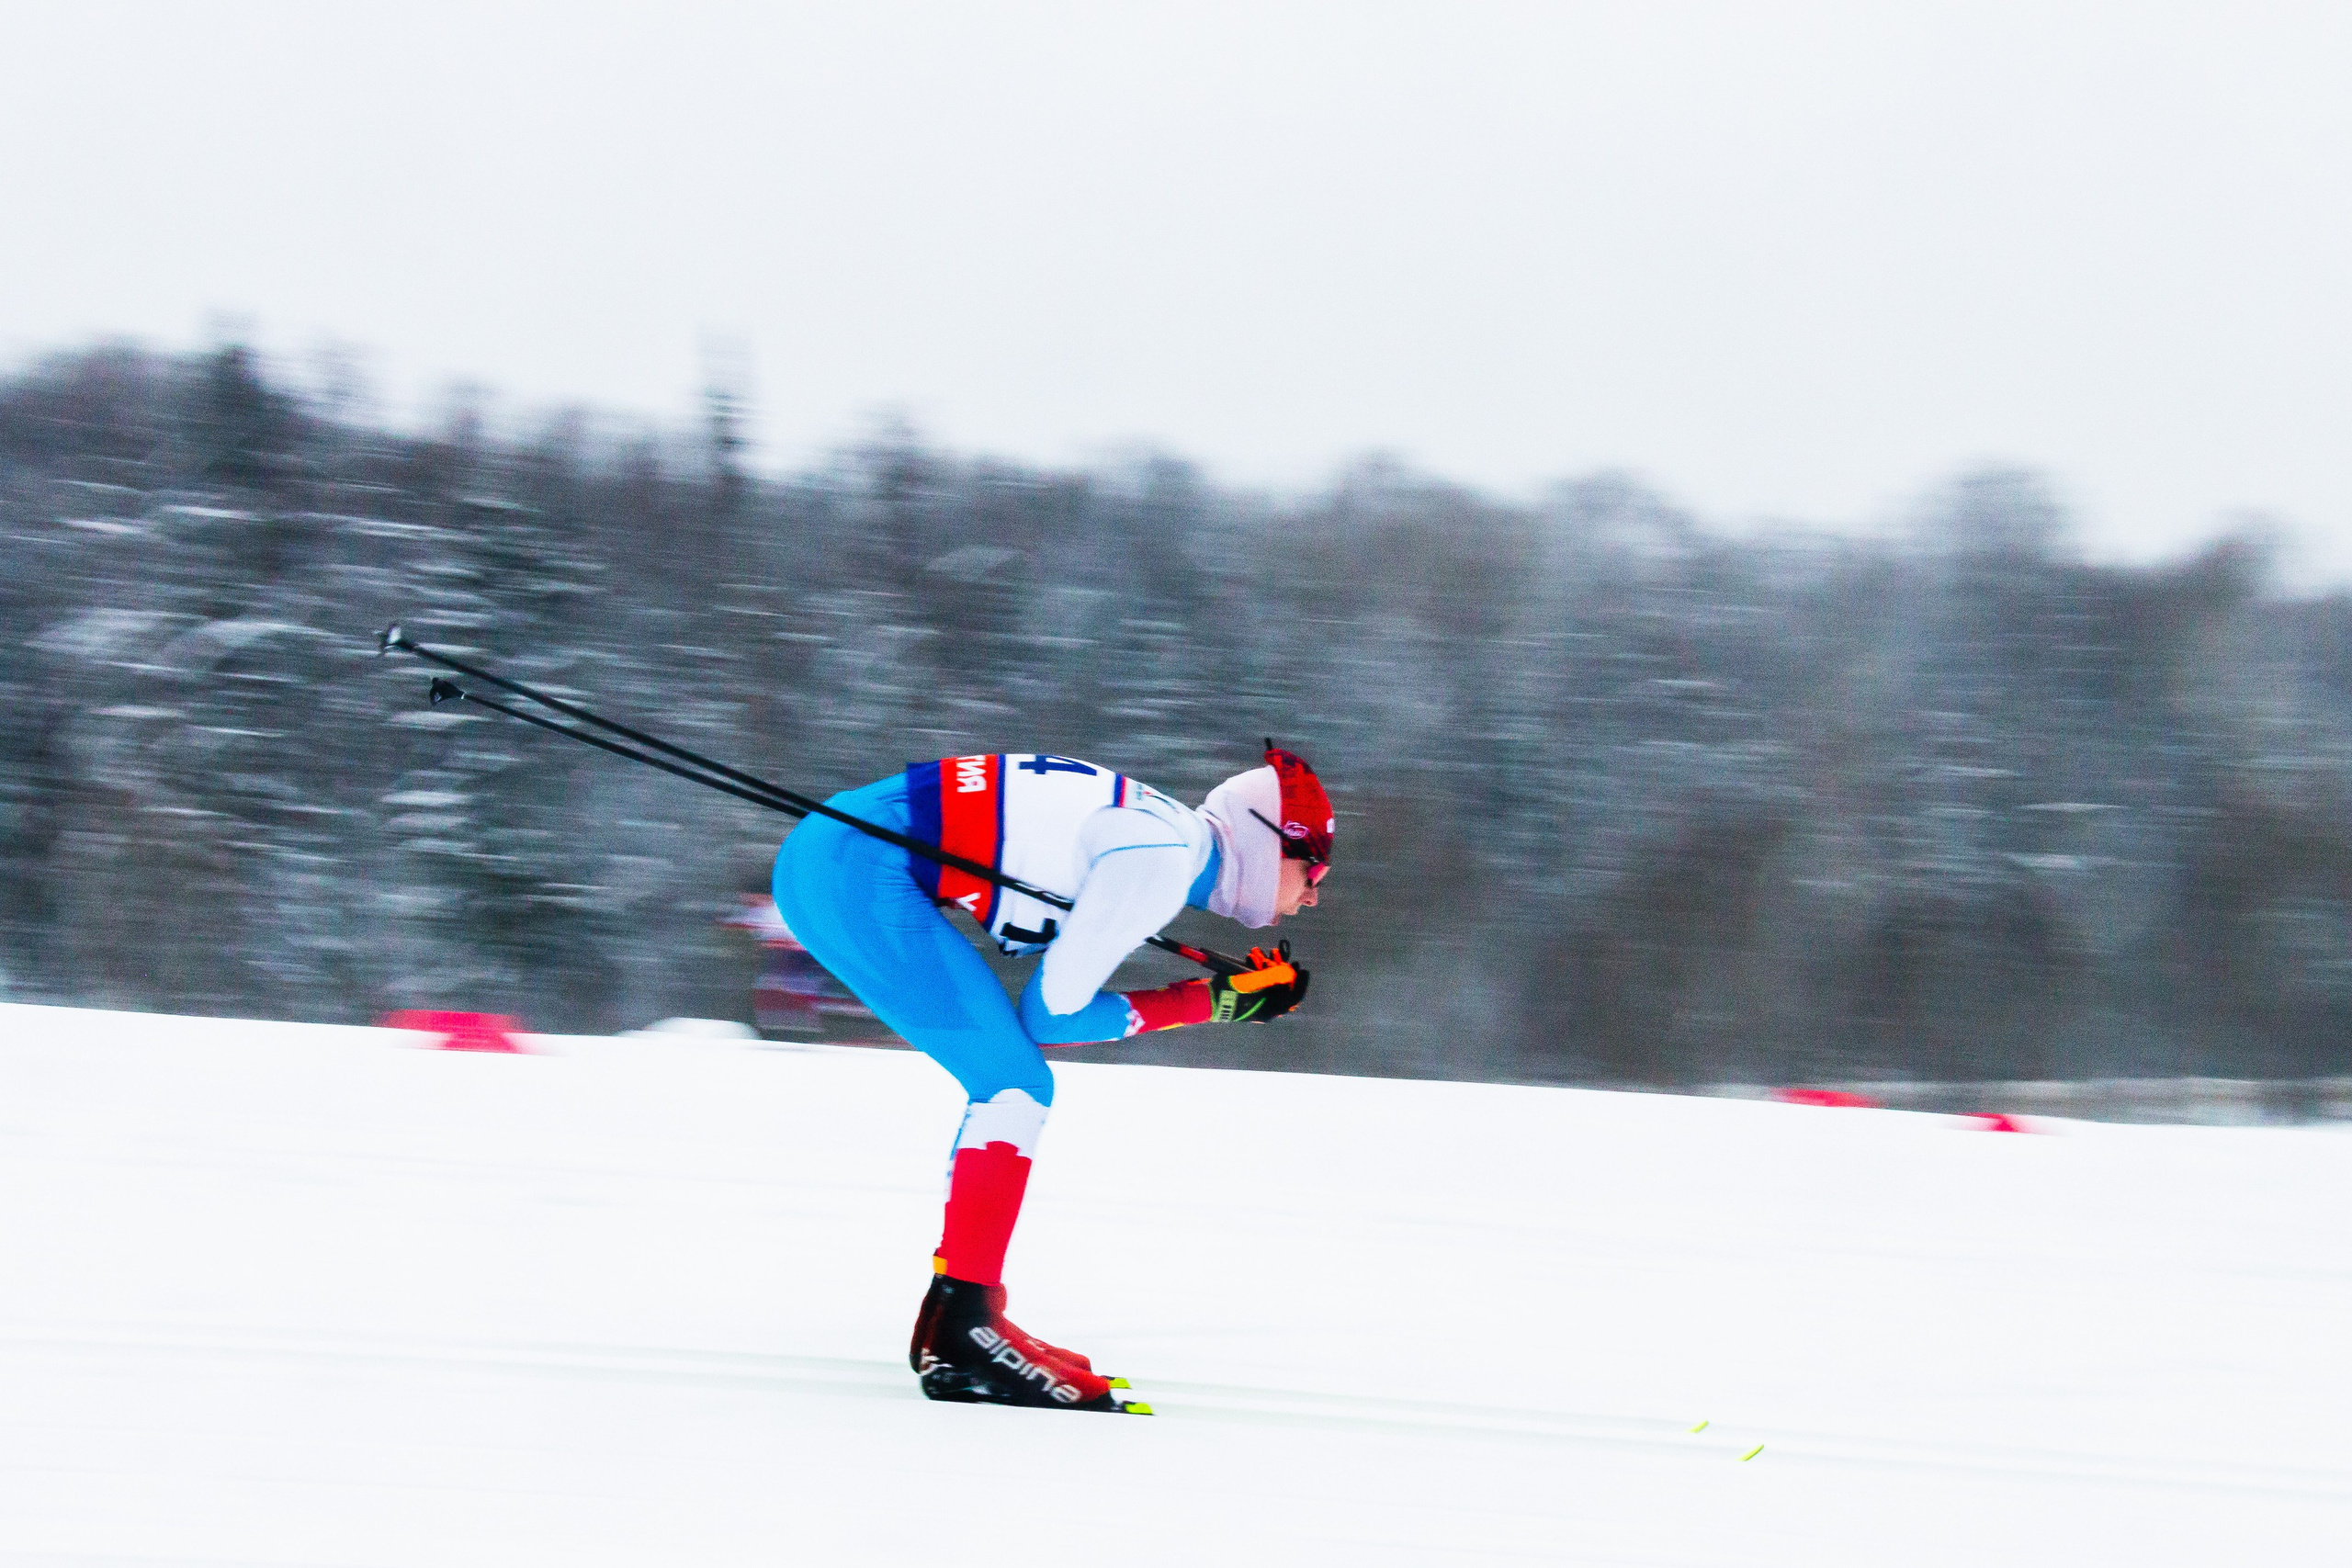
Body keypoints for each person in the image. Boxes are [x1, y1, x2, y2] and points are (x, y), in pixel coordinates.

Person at [772, 743, 1334, 1413]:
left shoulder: (1167, 839)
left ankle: (964, 1310)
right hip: (853, 867)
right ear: (1271, 845)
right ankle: (966, 1326)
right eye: (1313, 867)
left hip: (843, 854)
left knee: (1010, 1078)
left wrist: (1216, 997)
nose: (1314, 893)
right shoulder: (1160, 860)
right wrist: (1209, 1002)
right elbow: (1051, 1015)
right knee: (1013, 1084)